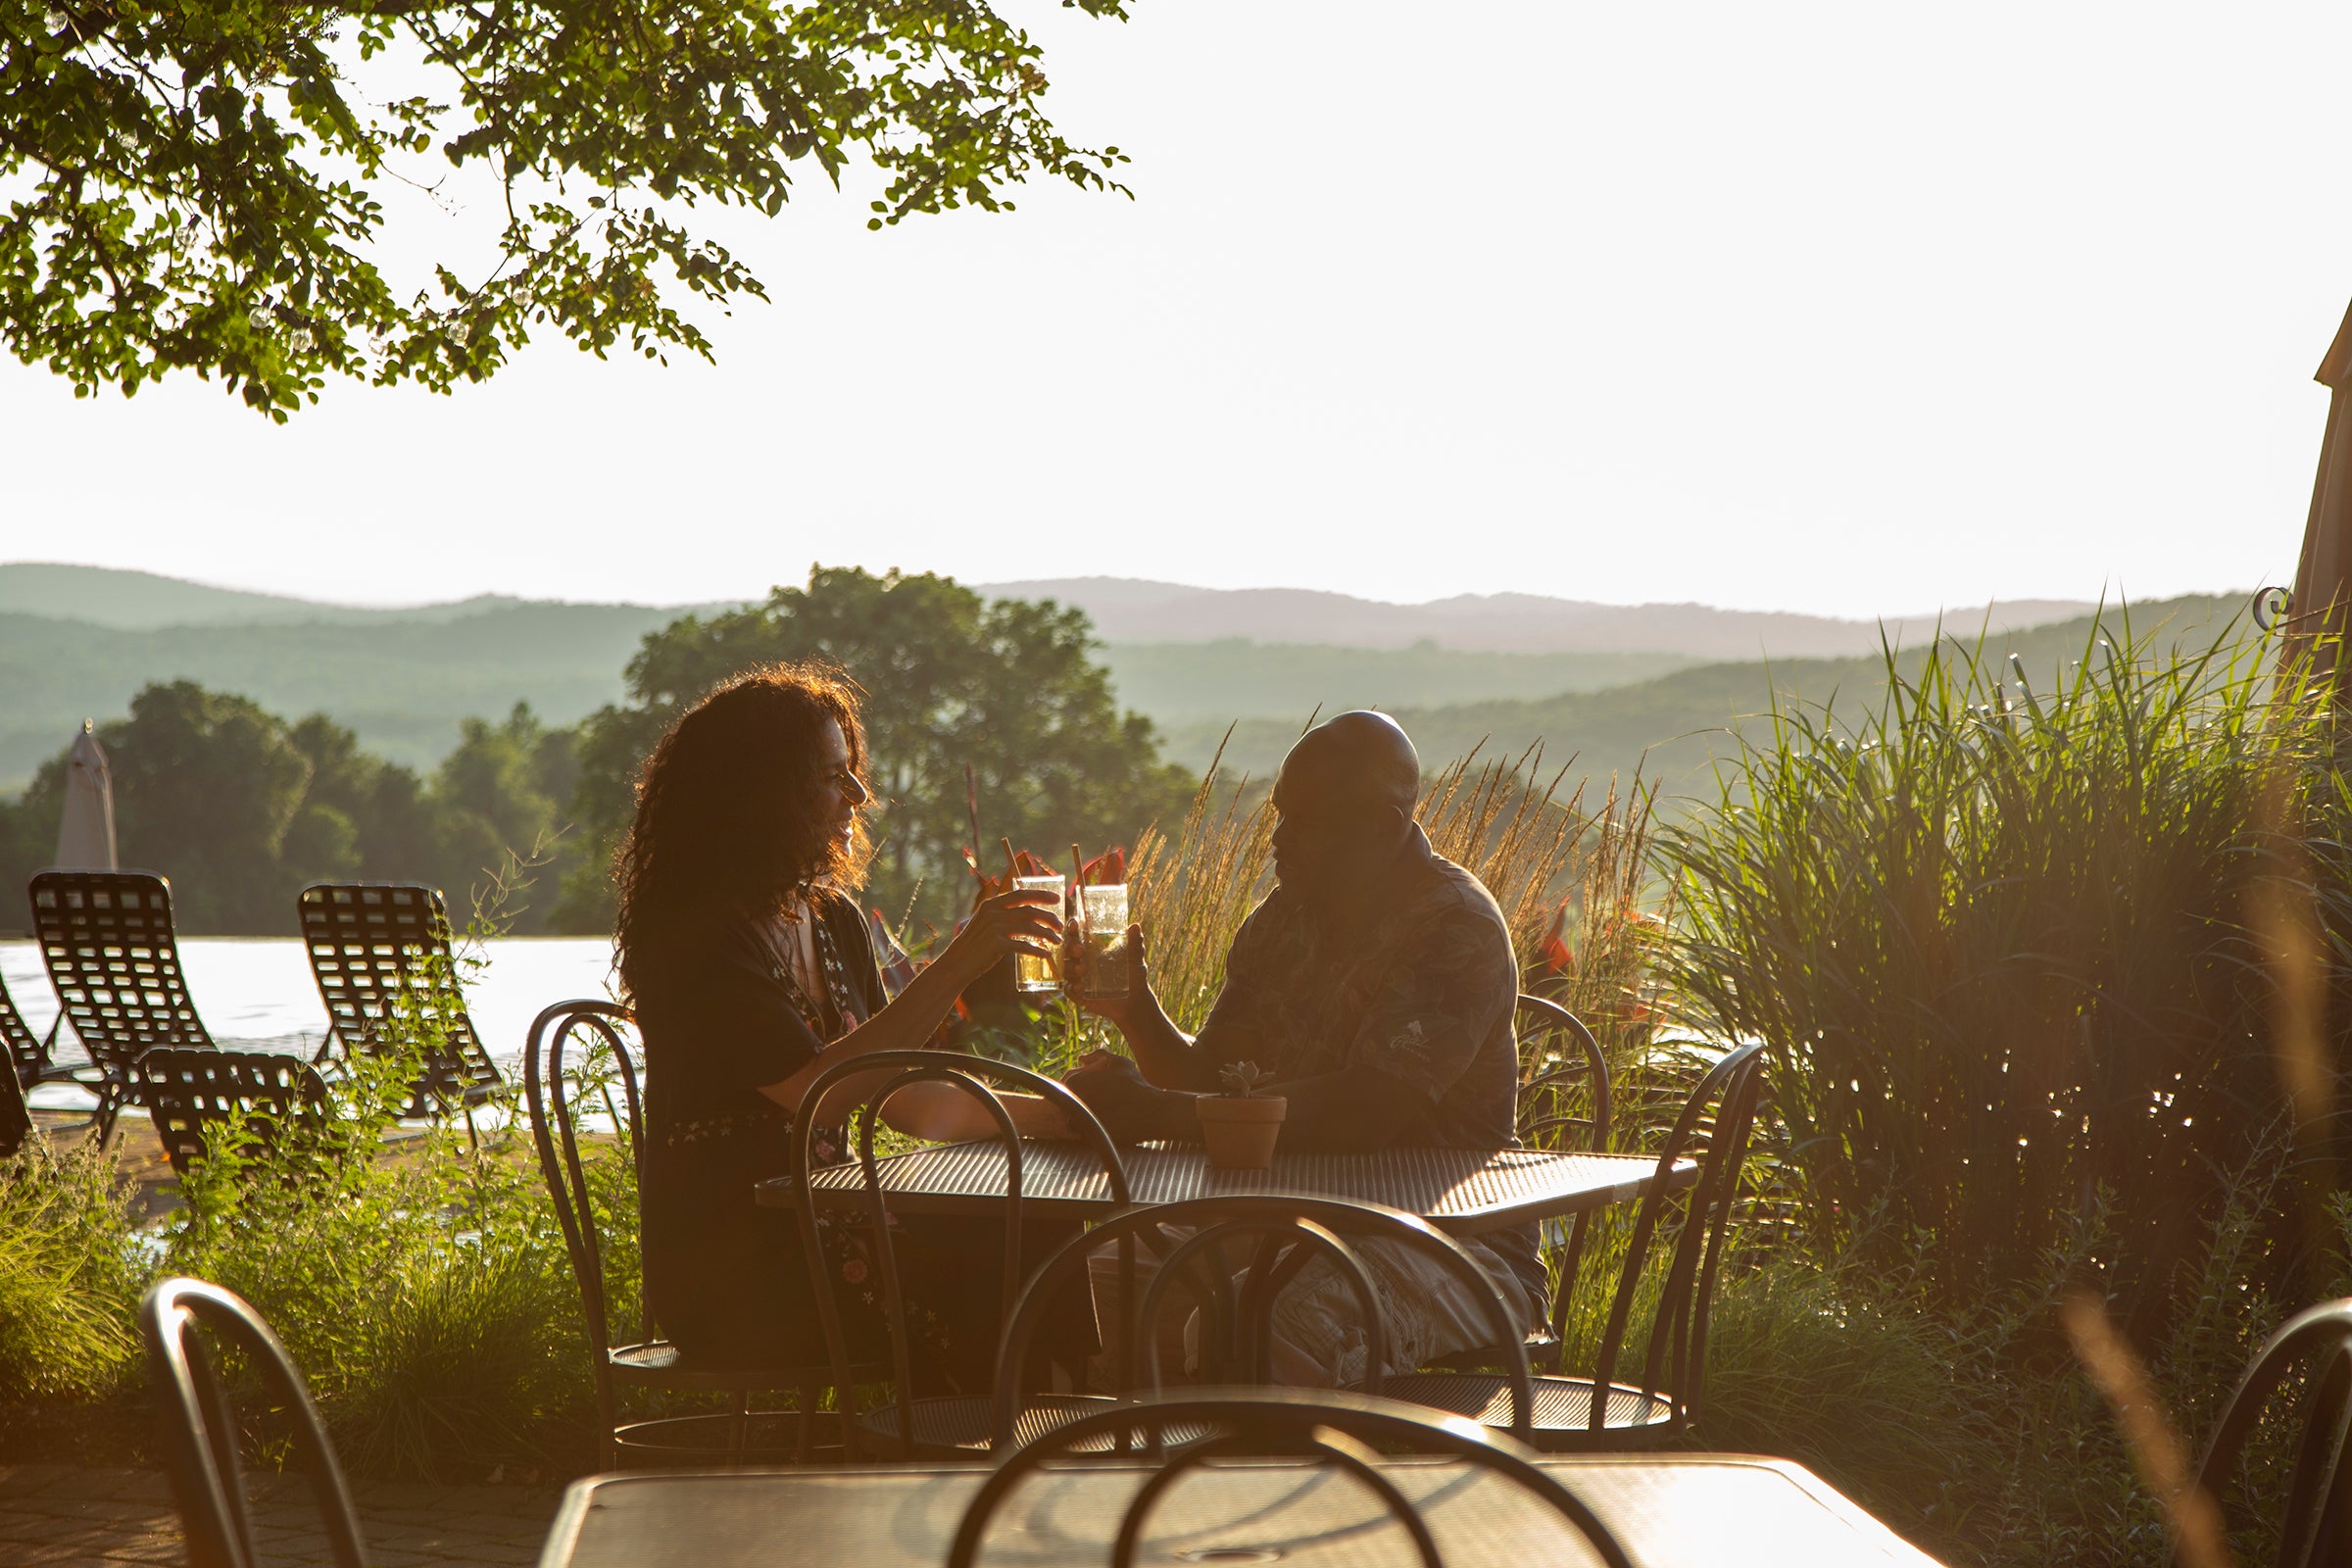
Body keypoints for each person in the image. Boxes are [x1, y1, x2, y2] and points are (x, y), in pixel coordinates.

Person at [615, 663, 1084, 1387]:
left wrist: (1064, 1116)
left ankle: (1011, 1452)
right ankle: (965, 1460)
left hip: (832, 1223)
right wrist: (959, 965)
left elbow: (913, 1101)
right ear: (762, 794)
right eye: (832, 777)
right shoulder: (696, 936)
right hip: (734, 1264)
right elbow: (819, 1095)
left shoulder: (830, 919)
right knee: (982, 1262)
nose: (858, 795)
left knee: (1029, 1221)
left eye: (852, 772)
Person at [1063, 710, 1539, 1385]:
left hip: (1446, 1245)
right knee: (1065, 1296)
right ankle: (1092, 1483)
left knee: (1246, 1324)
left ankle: (1268, 1485)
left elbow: (1365, 1113)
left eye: (1307, 821)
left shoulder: (1452, 926)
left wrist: (1151, 1113)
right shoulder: (1285, 917)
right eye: (1280, 814)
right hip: (1280, 1223)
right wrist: (1136, 1012)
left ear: (1381, 828)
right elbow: (1209, 1077)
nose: (1279, 840)